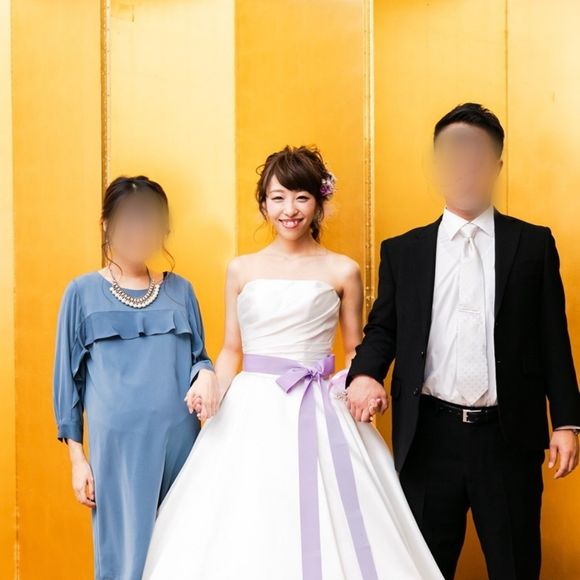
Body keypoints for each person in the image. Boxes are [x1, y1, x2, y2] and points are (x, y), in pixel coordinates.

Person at [142, 146, 444, 579]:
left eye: (302, 197)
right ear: (263, 204)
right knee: (247, 519)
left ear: (319, 203)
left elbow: (355, 347)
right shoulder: (241, 269)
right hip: (251, 406)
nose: (290, 209)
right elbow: (231, 350)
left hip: (322, 402)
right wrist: (212, 390)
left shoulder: (342, 270)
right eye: (278, 197)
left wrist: (364, 385)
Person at [346, 103, 580, 579]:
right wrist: (365, 374)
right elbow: (383, 329)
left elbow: (553, 337)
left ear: (496, 165)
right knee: (424, 568)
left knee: (515, 566)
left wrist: (567, 422)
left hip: (507, 436)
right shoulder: (404, 251)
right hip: (429, 436)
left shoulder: (532, 245)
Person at [52, 176, 217, 580]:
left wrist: (206, 373)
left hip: (180, 447)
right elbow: (66, 383)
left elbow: (200, 360)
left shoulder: (181, 291)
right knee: (125, 560)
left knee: (183, 556)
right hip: (117, 454)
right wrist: (77, 459)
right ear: (106, 224)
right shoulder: (81, 293)